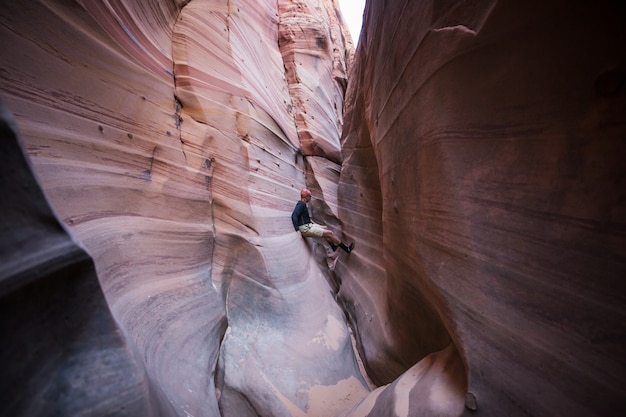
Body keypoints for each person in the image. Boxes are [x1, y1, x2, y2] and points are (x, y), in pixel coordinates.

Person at [291, 188, 354, 254]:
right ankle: (346, 249)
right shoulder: (301, 204)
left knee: (325, 228)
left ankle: (333, 246)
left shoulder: (303, 205)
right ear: (306, 197)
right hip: (305, 229)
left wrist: (318, 225)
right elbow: (294, 216)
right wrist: (298, 231)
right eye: (310, 196)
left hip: (308, 226)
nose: (310, 198)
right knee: (330, 233)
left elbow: (308, 219)